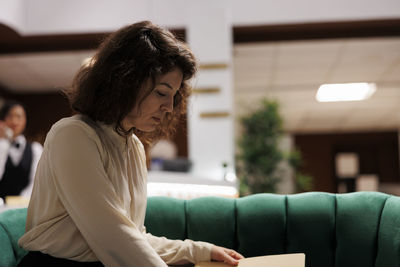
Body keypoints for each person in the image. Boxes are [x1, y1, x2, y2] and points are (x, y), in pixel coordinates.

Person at [18, 21, 244, 267]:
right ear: (126, 81)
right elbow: (112, 236)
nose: (169, 107)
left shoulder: (133, 145)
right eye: (161, 92)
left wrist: (200, 250)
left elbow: (132, 237)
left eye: (173, 95)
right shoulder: (73, 134)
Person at [0, 100, 43, 202]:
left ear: (25, 120)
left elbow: (37, 182)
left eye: (19, 117)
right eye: (10, 116)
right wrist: (2, 142)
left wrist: (20, 201)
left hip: (24, 205)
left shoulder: (35, 149)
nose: (14, 121)